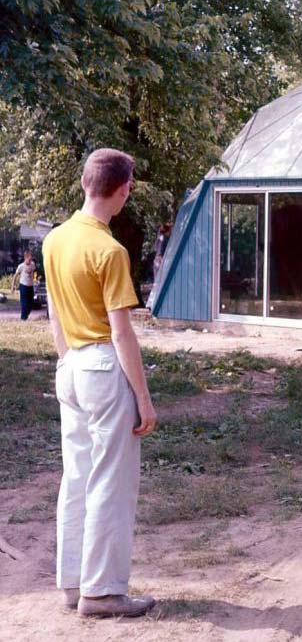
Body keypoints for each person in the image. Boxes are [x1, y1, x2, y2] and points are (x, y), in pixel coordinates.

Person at [42, 148, 158, 618]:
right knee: (111, 480)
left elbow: (53, 311)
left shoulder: (55, 240)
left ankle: (73, 582)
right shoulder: (109, 250)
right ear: (123, 189)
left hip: (69, 365)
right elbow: (121, 330)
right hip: (103, 368)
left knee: (78, 476)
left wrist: (67, 361)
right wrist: (144, 400)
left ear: (86, 183)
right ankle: (104, 591)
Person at [10, 249, 37, 320]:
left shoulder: (33, 264)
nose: (30, 260)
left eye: (31, 259)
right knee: (24, 303)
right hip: (23, 286)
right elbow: (15, 276)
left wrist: (35, 280)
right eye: (29, 259)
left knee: (31, 303)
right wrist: (13, 286)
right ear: (26, 257)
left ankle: (25, 316)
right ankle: (23, 318)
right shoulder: (21, 266)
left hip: (30, 286)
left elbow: (34, 273)